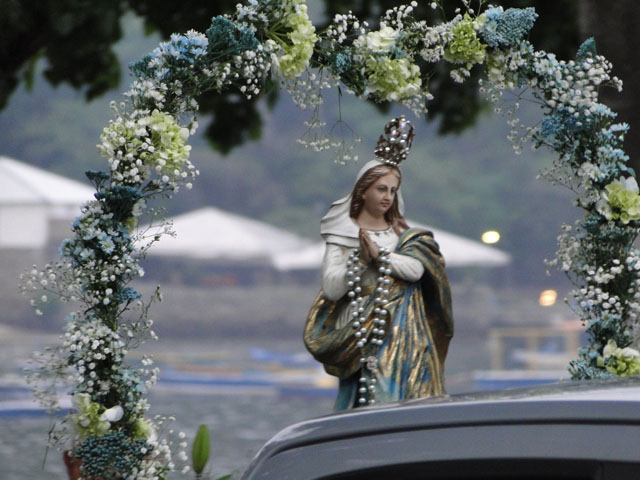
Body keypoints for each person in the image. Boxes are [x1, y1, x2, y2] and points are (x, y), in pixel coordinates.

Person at [304, 116, 454, 410]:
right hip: (360, 327)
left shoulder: (402, 235)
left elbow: (416, 270)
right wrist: (361, 261)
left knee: (402, 394)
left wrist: (381, 256)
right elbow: (332, 288)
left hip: (404, 328)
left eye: (393, 190)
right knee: (366, 393)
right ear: (363, 190)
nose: (387, 197)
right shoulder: (343, 234)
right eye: (381, 189)